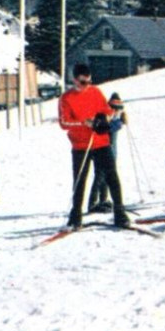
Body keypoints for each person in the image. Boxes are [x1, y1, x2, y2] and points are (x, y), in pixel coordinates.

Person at [58, 63, 129, 229]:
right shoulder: (66, 98)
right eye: (83, 82)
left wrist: (103, 119)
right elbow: (63, 122)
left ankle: (120, 212)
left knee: (112, 176)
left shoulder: (95, 91)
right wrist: (84, 123)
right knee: (80, 180)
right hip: (81, 145)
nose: (86, 86)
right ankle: (76, 215)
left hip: (101, 141)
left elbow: (107, 110)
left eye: (89, 82)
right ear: (74, 80)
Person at [87, 93, 128, 214]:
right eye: (114, 109)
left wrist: (121, 121)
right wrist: (121, 122)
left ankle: (103, 199)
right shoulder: (104, 116)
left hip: (110, 152)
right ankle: (92, 203)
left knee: (105, 177)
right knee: (100, 176)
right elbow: (107, 128)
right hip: (100, 151)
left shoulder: (114, 118)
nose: (116, 112)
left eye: (118, 110)